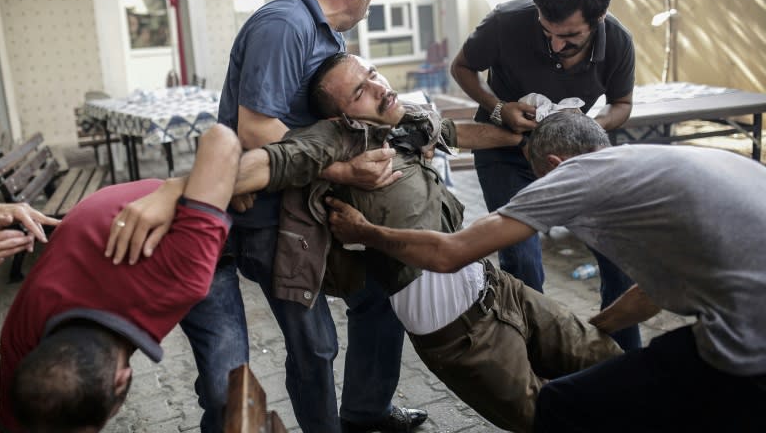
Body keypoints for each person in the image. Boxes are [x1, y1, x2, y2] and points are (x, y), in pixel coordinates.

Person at [109, 54, 623, 433]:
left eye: (371, 74)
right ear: (340, 114)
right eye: (359, 91)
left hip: (498, 287)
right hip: (462, 337)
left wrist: (524, 136)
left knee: (608, 357)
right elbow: (264, 163)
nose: (377, 88)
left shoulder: (408, 119)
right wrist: (178, 189)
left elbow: (457, 134)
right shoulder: (335, 140)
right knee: (552, 420)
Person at [326, 111, 766, 432]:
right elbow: (651, 292)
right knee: (621, 380)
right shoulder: (644, 166)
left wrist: (365, 231)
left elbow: (450, 254)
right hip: (747, 325)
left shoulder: (577, 176)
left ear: (554, 167)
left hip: (750, 344)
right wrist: (593, 327)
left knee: (558, 407)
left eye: (537, 180)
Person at [168, 0, 423, 433]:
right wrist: (344, 171)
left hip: (308, 202)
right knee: (315, 343)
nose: (370, 0)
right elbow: (257, 130)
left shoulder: (325, 33)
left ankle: (365, 413)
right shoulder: (285, 24)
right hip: (269, 216)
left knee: (378, 297)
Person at [451, 0, 640, 350]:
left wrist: (588, 126)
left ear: (599, 18)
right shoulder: (504, 22)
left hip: (577, 154)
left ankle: (623, 360)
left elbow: (621, 104)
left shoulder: (619, 40)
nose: (556, 44)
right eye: (547, 30)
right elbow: (463, 67)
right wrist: (499, 106)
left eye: (569, 36)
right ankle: (534, 360)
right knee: (522, 263)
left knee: (621, 256)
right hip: (506, 149)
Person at [0, 124, 240, 432]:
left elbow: (221, 139)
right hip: (98, 229)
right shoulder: (20, 341)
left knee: (224, 388)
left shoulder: (182, 274)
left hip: (176, 232)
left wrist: (175, 188)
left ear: (122, 378)